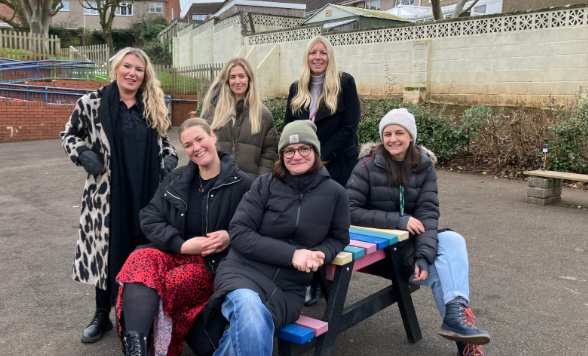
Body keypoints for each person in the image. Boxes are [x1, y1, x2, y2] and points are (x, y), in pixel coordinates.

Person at [345, 108, 491, 356]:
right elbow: (349, 211)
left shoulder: (424, 167)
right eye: (387, 133)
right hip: (384, 251)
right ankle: (467, 344)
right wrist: (398, 220)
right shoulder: (366, 166)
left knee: (452, 240)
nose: (393, 139)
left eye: (399, 132)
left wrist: (424, 256)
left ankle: (457, 324)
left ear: (410, 136)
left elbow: (428, 215)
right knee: (442, 273)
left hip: (414, 244)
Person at [61, 47, 179, 344]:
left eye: (139, 69)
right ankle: (103, 314)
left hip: (147, 192)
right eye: (127, 66)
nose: (132, 73)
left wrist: (169, 159)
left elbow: (165, 143)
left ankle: (138, 314)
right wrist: (84, 154)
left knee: (143, 251)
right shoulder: (92, 103)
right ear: (116, 68)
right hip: (107, 194)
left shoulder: (153, 105)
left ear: (145, 75)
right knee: (107, 251)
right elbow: (69, 135)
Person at [207, 120, 350, 356]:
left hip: (288, 289)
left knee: (248, 330)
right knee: (250, 312)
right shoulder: (264, 185)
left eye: (304, 148)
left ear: (315, 151)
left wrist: (321, 254)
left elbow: (338, 238)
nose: (296, 156)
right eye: (289, 150)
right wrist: (293, 255)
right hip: (243, 273)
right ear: (282, 154)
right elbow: (240, 233)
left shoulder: (336, 193)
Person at [115, 118, 253, 356]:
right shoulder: (177, 179)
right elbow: (149, 216)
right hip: (174, 251)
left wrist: (230, 236)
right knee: (138, 264)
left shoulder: (242, 184)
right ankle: (136, 352)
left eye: (200, 139)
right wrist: (180, 245)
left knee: (166, 287)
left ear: (213, 136)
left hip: (210, 263)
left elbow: (256, 228)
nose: (196, 148)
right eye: (188, 145)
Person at [284, 35, 360, 305]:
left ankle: (325, 283)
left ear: (330, 57)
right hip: (304, 166)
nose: (318, 57)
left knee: (329, 226)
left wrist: (318, 157)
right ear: (307, 57)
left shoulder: (344, 83)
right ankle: (308, 280)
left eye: (323, 52)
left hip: (336, 164)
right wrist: (299, 158)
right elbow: (289, 129)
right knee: (304, 223)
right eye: (313, 52)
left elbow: (349, 128)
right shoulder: (297, 88)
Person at [201, 57, 279, 179]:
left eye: (241, 76)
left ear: (249, 79)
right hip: (216, 184)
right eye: (232, 77)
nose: (237, 81)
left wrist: (258, 182)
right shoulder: (211, 113)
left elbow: (270, 153)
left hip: (249, 187)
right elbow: (201, 147)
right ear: (227, 80)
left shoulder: (263, 115)